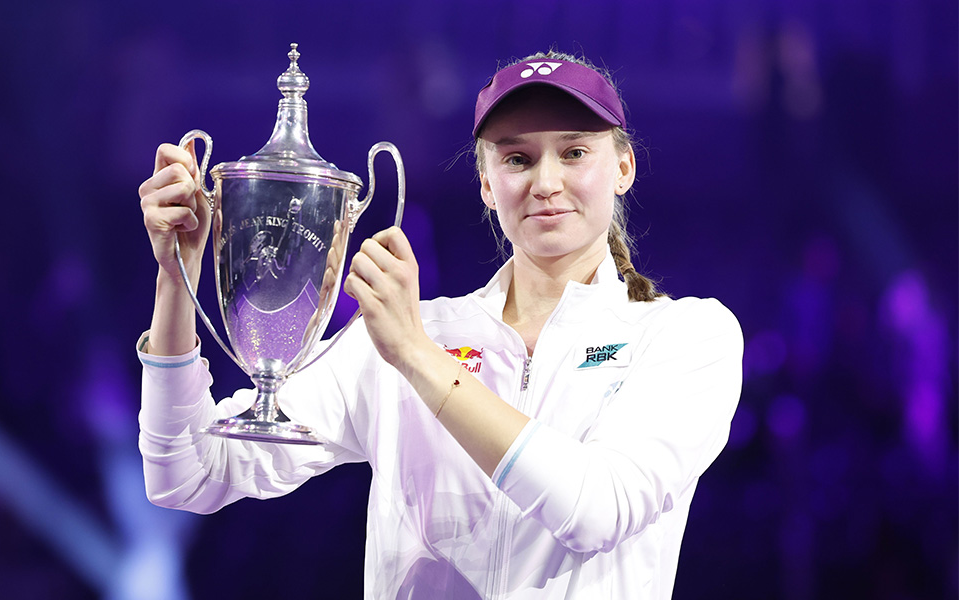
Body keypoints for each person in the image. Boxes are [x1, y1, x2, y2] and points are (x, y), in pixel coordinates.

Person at [136, 51, 743, 599]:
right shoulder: (406, 336)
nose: (546, 182)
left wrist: (419, 357)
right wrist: (176, 282)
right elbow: (186, 474)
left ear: (623, 168)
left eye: (575, 151)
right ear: (486, 182)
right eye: (517, 158)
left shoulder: (686, 338)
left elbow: (596, 508)